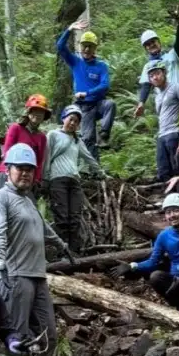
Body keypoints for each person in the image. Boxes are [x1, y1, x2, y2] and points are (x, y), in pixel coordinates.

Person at [0, 143, 70, 356]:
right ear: (8, 170)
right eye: (20, 168)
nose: (25, 173)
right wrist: (0, 262)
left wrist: (61, 244)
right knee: (17, 334)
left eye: (29, 169)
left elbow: (43, 228)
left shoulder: (28, 200)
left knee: (48, 334)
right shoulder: (0, 198)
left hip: (37, 275)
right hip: (15, 275)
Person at [125, 193, 179, 315]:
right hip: (175, 281)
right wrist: (132, 265)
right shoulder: (163, 236)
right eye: (168, 212)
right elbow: (153, 261)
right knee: (155, 276)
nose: (172, 215)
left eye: (176, 210)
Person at [44, 105, 103, 254]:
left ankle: (74, 252)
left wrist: (101, 173)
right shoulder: (53, 135)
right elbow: (46, 157)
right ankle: (63, 253)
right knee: (62, 218)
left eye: (76, 121)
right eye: (71, 119)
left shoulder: (77, 140)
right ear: (63, 118)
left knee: (75, 217)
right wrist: (44, 178)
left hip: (74, 181)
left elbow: (88, 158)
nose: (73, 123)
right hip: (57, 180)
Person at [56, 24, 114, 156]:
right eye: (84, 46)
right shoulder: (76, 62)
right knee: (88, 138)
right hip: (84, 108)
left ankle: (104, 135)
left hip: (98, 104)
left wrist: (87, 93)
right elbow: (60, 47)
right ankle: (93, 169)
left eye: (90, 46)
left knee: (110, 104)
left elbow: (105, 85)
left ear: (95, 48)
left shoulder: (101, 66)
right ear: (81, 46)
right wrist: (69, 29)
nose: (87, 49)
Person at [133, 60, 179, 183]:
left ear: (164, 73)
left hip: (175, 133)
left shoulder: (175, 87)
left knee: (178, 169)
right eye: (151, 76)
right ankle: (170, 199)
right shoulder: (157, 96)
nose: (155, 77)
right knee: (163, 171)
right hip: (162, 135)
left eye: (157, 74)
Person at [0, 95, 51, 189]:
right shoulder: (16, 128)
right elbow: (7, 151)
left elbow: (39, 160)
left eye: (41, 112)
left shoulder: (42, 137)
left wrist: (36, 178)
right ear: (29, 112)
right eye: (35, 110)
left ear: (44, 116)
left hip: (27, 177)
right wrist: (10, 172)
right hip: (8, 172)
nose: (38, 114)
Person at [137, 13, 179, 98]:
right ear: (146, 49)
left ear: (159, 42)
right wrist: (141, 103)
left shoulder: (171, 55)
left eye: (153, 42)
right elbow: (146, 86)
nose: (151, 45)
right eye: (148, 44)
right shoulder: (147, 66)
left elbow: (178, 42)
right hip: (166, 100)